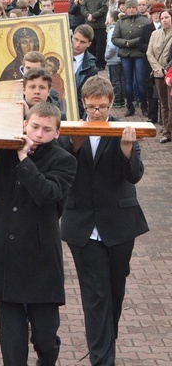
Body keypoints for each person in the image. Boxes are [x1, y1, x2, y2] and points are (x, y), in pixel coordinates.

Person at [0, 101, 77, 366]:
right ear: (25, 125)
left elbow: (46, 195)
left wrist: (23, 158)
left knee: (46, 339)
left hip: (41, 261)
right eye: (35, 126)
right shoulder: (6, 153)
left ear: (57, 133)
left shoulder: (64, 160)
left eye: (46, 129)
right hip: (6, 258)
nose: (39, 134)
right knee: (12, 351)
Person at [60, 75, 149, 366]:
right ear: (83, 103)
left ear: (111, 104)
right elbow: (63, 174)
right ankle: (101, 358)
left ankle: (104, 341)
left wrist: (126, 151)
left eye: (102, 107)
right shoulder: (72, 130)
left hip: (119, 223)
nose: (96, 112)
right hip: (83, 224)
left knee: (115, 288)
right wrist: (73, 146)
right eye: (91, 107)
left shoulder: (124, 130)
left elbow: (134, 175)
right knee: (95, 293)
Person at [112, 0, 149, 117]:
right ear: (126, 9)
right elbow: (115, 38)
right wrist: (125, 43)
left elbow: (145, 37)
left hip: (138, 54)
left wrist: (130, 42)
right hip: (125, 55)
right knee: (127, 82)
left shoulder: (144, 20)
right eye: (129, 8)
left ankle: (144, 105)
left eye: (134, 7)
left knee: (140, 82)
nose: (132, 10)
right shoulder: (120, 22)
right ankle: (130, 106)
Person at [147, 8, 172, 143]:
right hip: (158, 74)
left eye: (167, 17)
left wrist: (166, 70)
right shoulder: (155, 34)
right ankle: (167, 132)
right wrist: (158, 69)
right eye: (162, 18)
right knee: (163, 104)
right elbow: (149, 53)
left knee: (171, 103)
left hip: (171, 74)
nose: (164, 20)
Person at [138, 1, 166, 123]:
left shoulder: (166, 29)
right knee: (151, 90)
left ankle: (163, 117)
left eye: (159, 13)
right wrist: (150, 49)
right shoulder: (146, 28)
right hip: (149, 63)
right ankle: (152, 115)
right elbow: (140, 44)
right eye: (154, 13)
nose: (156, 15)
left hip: (163, 64)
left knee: (163, 93)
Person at [72, 25, 98, 119]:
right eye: (76, 39)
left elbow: (86, 96)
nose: (77, 44)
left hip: (76, 112)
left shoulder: (91, 68)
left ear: (89, 44)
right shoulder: (60, 55)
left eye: (82, 42)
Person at [81, 0, 108, 70]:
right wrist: (87, 15)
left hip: (100, 26)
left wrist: (93, 15)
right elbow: (83, 8)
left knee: (100, 47)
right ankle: (91, 63)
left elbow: (104, 8)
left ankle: (100, 64)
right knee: (90, 46)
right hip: (89, 26)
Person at [105, 10, 126, 107]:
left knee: (115, 80)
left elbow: (111, 46)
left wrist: (107, 56)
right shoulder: (122, 28)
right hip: (121, 57)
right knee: (121, 79)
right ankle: (122, 99)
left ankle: (117, 99)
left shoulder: (112, 30)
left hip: (113, 59)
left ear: (112, 18)